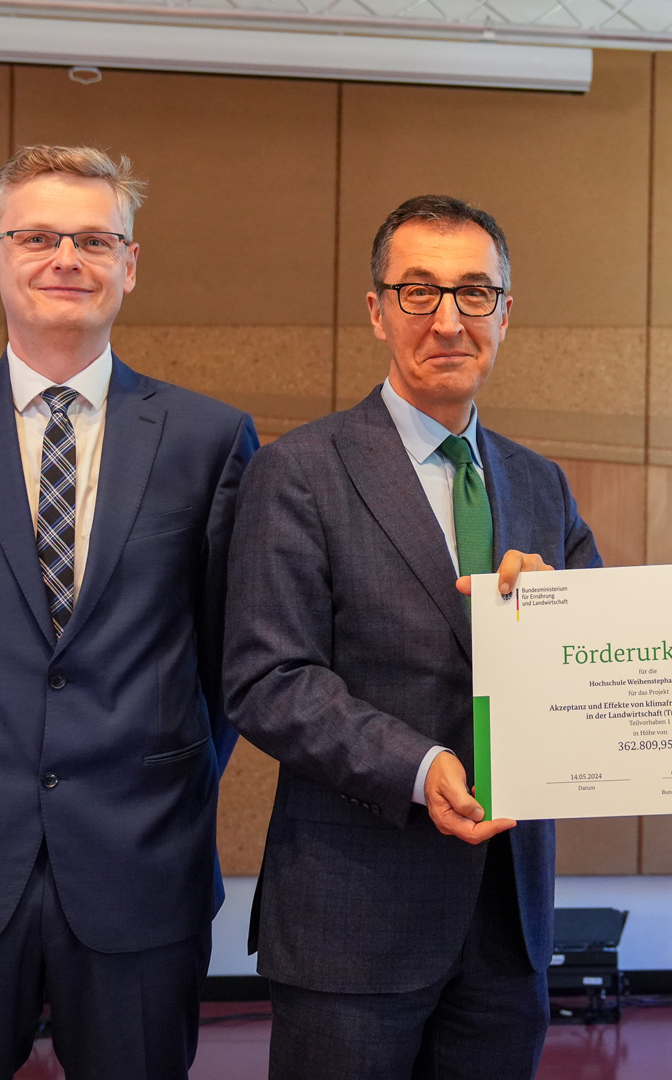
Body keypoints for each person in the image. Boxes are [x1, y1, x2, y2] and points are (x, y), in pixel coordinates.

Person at [0, 145, 258, 1079]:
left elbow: (227, 661)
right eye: (36, 236)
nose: (65, 257)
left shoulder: (209, 439)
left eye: (94, 239)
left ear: (129, 265)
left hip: (141, 861)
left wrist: (165, 772)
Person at [224, 195, 600, 1080]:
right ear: (377, 310)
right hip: (351, 925)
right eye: (419, 292)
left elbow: (598, 666)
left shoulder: (541, 485)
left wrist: (566, 626)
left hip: (508, 925)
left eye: (475, 294)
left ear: (505, 314)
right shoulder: (300, 471)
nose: (449, 320)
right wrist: (419, 766)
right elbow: (267, 678)